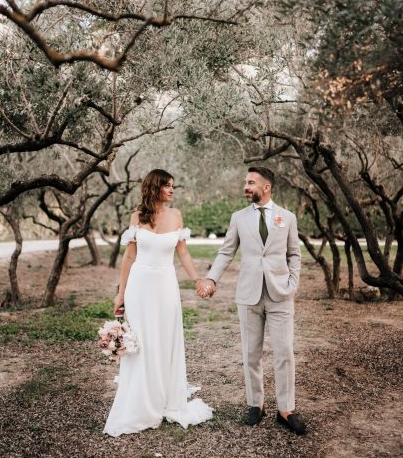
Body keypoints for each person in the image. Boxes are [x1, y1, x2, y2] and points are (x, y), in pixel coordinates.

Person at [197, 166, 307, 435]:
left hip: (281, 294)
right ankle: (255, 404)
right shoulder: (238, 218)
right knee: (251, 354)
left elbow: (294, 254)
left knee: (284, 353)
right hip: (249, 295)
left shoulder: (287, 217)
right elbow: (226, 253)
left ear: (266, 187)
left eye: (251, 182)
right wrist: (212, 279)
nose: (246, 187)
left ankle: (286, 409)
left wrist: (292, 284)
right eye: (245, 182)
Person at [103, 169, 213, 437]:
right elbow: (129, 258)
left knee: (165, 340)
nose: (171, 190)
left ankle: (165, 397)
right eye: (167, 186)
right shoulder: (136, 217)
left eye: (173, 186)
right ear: (155, 187)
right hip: (139, 287)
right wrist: (121, 293)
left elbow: (183, 253)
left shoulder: (176, 216)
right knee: (142, 343)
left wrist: (198, 279)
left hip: (166, 286)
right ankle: (142, 402)